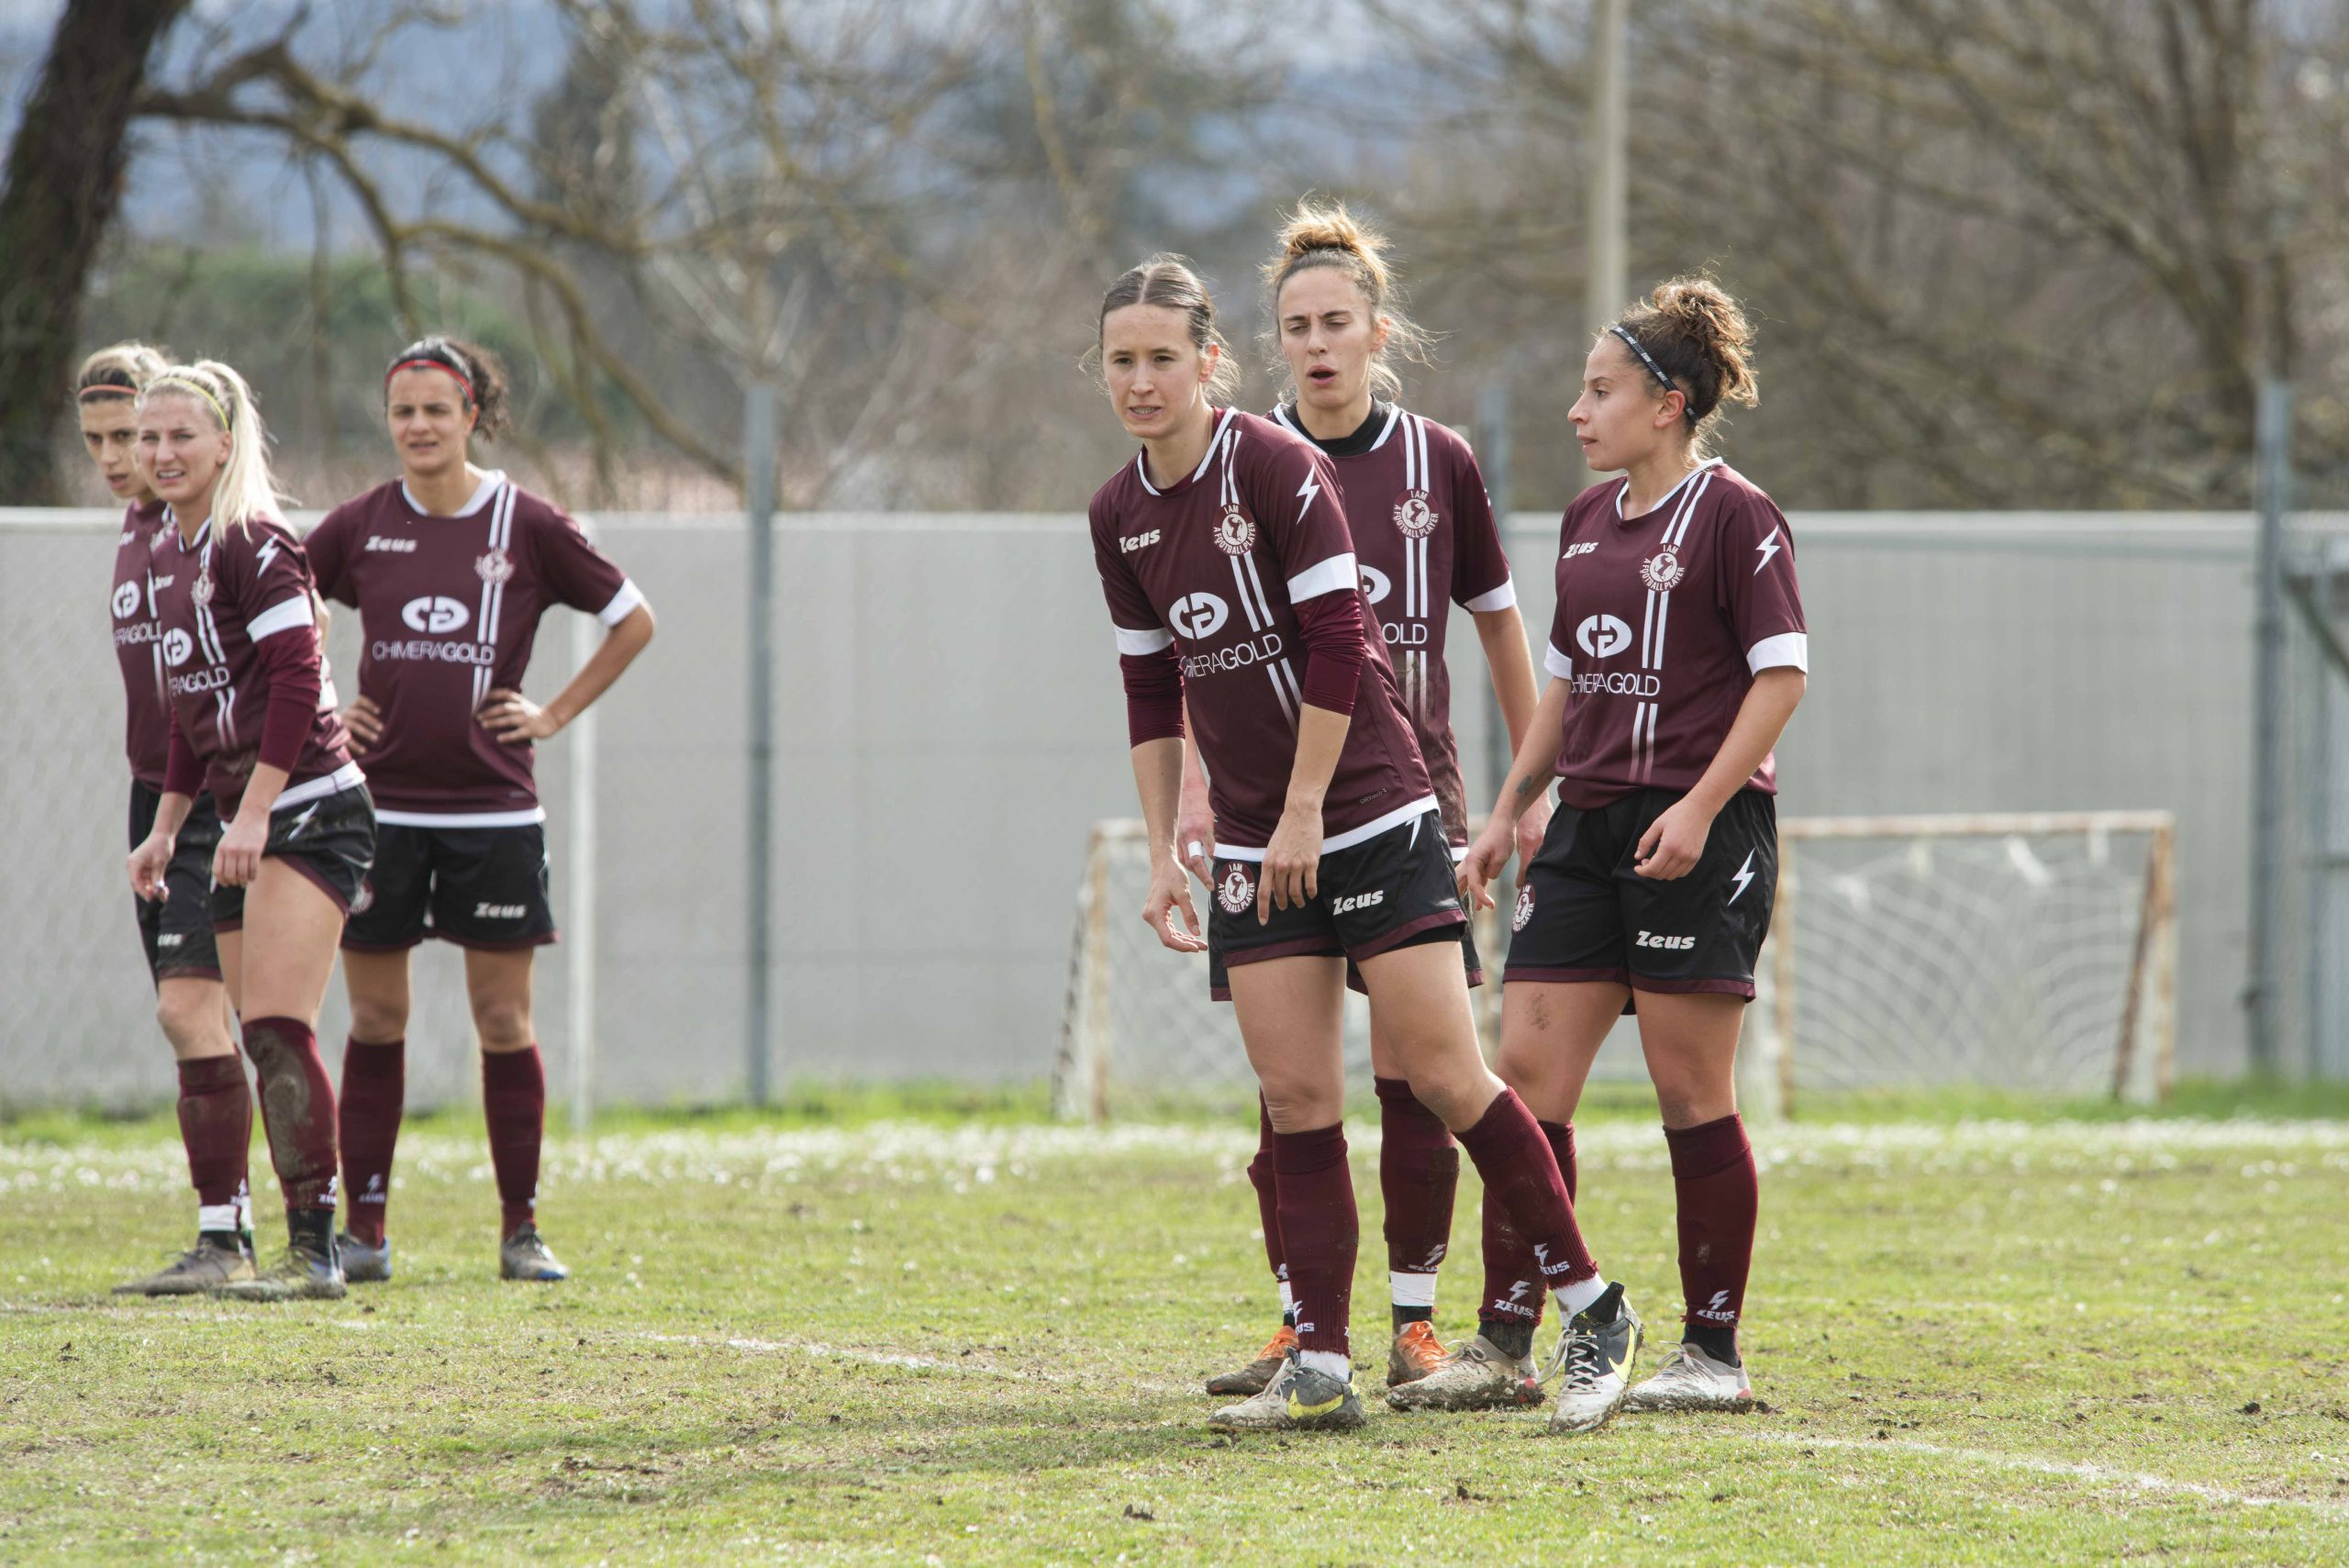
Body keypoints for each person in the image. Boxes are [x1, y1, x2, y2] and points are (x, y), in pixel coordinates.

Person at [1090, 255, 1641, 1434]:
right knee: (1293, 1095)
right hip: (1250, 835)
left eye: (1162, 358)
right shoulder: (1116, 511)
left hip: (1378, 813)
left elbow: (1343, 642)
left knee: (1441, 1076)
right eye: (1122, 361)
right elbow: (1150, 691)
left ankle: (1591, 1303)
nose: (1142, 381)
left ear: (1208, 364)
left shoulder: (1279, 467)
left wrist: (1309, 811)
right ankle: (1324, 1361)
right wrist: (1160, 846)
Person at [1184, 203, 1552, 1398]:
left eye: (1339, 321)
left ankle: (1415, 1324)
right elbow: (1203, 646)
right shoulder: (1234, 460)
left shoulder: (1436, 459)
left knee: (1418, 1067)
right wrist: (1194, 784)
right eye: (1297, 326)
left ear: (1378, 331)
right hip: (1266, 800)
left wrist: (1525, 785)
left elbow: (1498, 620)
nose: (1319, 342)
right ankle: (1306, 1320)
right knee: (1285, 1078)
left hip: (1408, 791)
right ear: (1275, 341)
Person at [1460, 278, 1805, 1412]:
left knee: (1686, 1088)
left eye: (1598, 390)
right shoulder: (1581, 522)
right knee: (1522, 1077)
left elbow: (1780, 675)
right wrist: (1513, 803)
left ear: (1666, 402)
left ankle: (1711, 1351)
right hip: (1586, 825)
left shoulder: (1736, 515)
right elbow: (1566, 681)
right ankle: (1508, 1336)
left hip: (1696, 825)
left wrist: (1703, 804)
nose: (1576, 410)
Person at [303, 337, 655, 1284]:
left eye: (436, 410)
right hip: (375, 809)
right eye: (402, 412)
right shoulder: (361, 524)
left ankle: (521, 1229)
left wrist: (552, 712)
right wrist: (328, 703)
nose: (417, 427)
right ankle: (365, 1234)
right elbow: (279, 602)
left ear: (473, 416)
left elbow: (634, 617)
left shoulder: (528, 523)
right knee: (377, 1019)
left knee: (504, 1020)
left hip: (494, 809)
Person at [128, 360, 375, 1301]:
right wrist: (165, 829)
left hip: (312, 806)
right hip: (243, 813)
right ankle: (273, 1240)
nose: (160, 452)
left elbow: (297, 680)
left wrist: (262, 807)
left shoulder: (254, 538)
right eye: (151, 437)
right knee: (250, 1028)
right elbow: (197, 713)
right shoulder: (170, 550)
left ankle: (318, 1252)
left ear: (226, 441)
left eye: (180, 434)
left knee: (275, 1023)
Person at [83, 343, 257, 1295]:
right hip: (155, 793)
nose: (123, 454)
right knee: (204, 1017)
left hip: (213, 796)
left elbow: (290, 630)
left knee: (192, 1008)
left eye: (137, 433)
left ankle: (228, 1235)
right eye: (104, 439)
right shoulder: (137, 526)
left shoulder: (214, 525)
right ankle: (248, 1220)